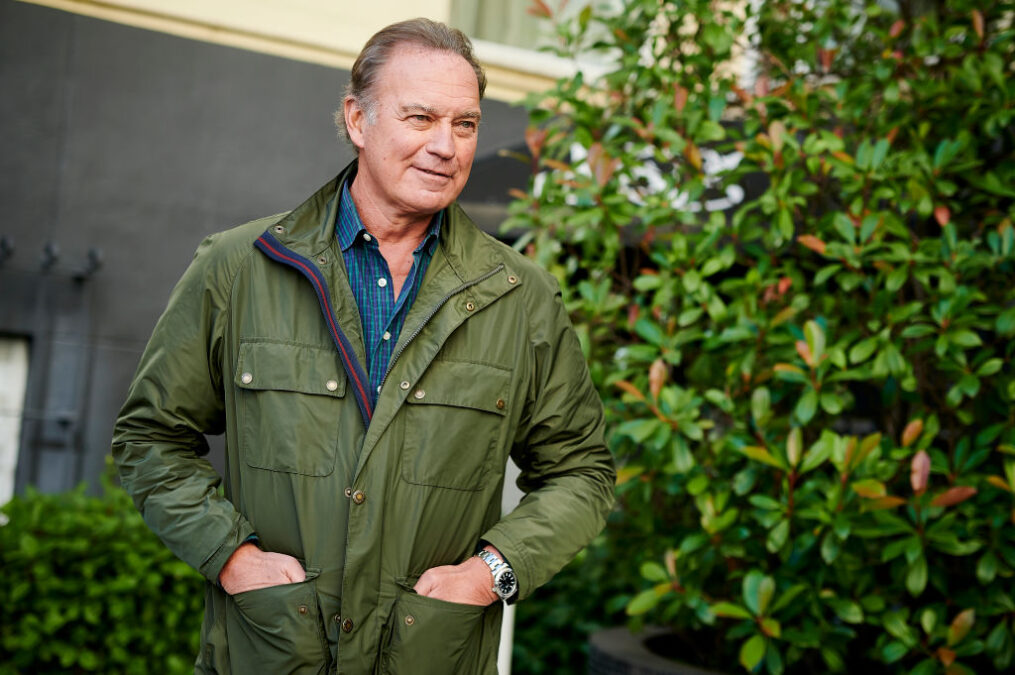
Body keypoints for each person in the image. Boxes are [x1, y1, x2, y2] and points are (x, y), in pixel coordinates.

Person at [112, 17, 614, 675]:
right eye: (420, 117)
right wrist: (232, 556)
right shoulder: (239, 268)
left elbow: (581, 471)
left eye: (465, 124)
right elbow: (149, 438)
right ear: (357, 119)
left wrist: (489, 572)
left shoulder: (521, 297)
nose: (445, 146)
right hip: (272, 655)